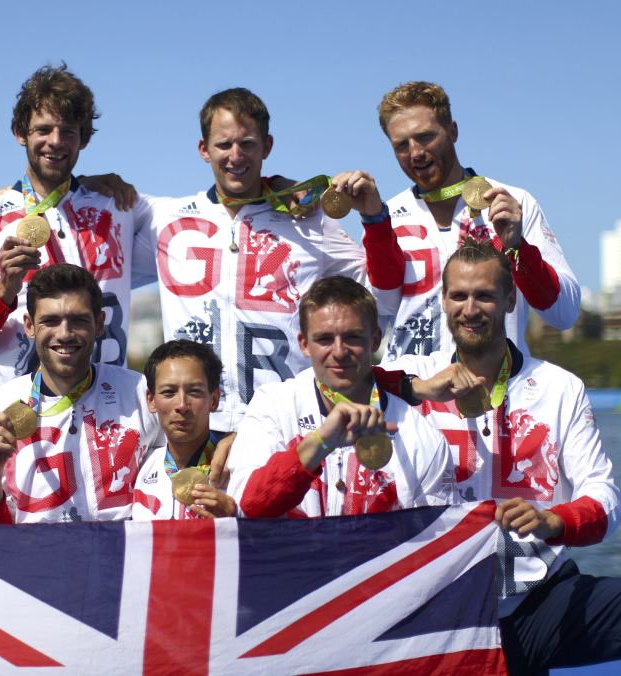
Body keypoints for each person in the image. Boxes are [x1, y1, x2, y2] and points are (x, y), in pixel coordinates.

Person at [386, 239, 621, 674]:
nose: (471, 308)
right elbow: (331, 385)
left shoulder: (561, 388)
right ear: (443, 301)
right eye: (459, 295)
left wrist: (555, 520)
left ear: (509, 300)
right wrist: (417, 389)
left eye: (484, 295)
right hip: (440, 611)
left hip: (540, 602)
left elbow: (606, 498)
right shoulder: (408, 381)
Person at [147, 87, 404, 434]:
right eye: (224, 144)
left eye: (248, 144)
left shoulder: (311, 221)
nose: (236, 156)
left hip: (285, 425)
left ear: (267, 146)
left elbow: (384, 296)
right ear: (203, 149)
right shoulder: (162, 218)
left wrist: (374, 217)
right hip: (197, 429)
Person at [0, 64, 156, 411]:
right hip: (10, 412)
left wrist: (275, 189)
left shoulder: (119, 208)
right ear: (19, 132)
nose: (55, 142)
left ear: (84, 138)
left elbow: (214, 215)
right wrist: (3, 292)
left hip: (107, 410)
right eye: (43, 129)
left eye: (68, 131)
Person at [377, 80, 579, 361]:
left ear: (453, 131)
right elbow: (373, 320)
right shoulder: (384, 219)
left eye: (425, 137)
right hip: (412, 398)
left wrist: (518, 248)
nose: (415, 153)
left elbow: (564, 314)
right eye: (401, 145)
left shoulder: (513, 203)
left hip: (494, 392)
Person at [226, 275, 454, 518]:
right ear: (304, 343)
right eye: (324, 339)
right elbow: (247, 508)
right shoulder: (273, 407)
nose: (339, 352)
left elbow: (435, 544)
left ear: (375, 339)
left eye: (352, 337)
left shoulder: (420, 436)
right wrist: (320, 443)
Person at [0, 263, 158, 524]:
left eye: (78, 320)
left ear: (100, 323)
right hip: (36, 560)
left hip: (122, 560)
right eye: (50, 321)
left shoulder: (141, 394)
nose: (65, 333)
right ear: (30, 326)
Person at [133, 340, 236, 520]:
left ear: (214, 399)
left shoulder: (239, 466)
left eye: (194, 391)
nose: (182, 405)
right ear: (151, 400)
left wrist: (237, 518)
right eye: (169, 392)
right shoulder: (139, 467)